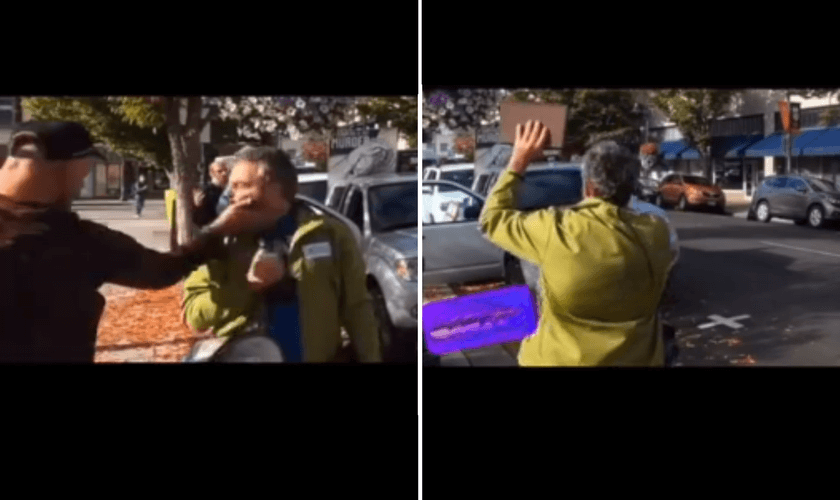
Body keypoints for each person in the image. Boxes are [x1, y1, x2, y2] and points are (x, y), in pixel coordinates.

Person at [0, 121, 277, 362]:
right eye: (82, 174)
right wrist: (216, 232)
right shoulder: (79, 242)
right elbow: (160, 271)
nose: (82, 183)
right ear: (63, 171)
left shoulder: (79, 239)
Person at [479, 120, 674, 366]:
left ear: (589, 187)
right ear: (631, 187)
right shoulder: (656, 231)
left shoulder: (556, 228)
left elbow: (491, 219)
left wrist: (519, 159)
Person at [181, 146, 382, 363]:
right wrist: (246, 286)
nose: (231, 195)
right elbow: (193, 314)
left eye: (242, 186)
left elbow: (357, 308)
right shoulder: (221, 242)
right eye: (232, 186)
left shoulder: (330, 234)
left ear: (276, 188)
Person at [192, 156, 233, 228]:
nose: (224, 174)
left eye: (226, 171)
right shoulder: (205, 190)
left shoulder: (229, 189)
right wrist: (197, 206)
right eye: (220, 171)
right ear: (211, 173)